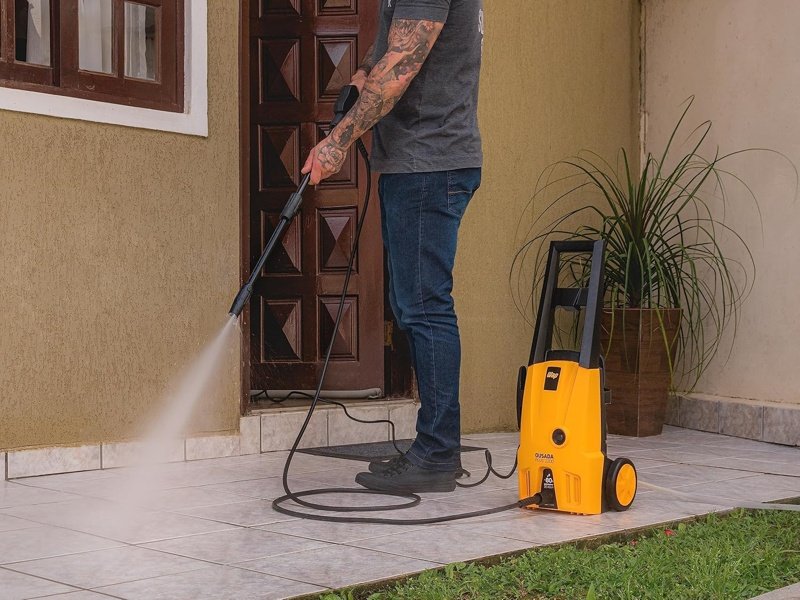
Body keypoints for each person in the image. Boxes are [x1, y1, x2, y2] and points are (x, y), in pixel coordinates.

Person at [301, 0, 484, 493]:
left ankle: (438, 453)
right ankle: (434, 446)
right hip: (418, 163)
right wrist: (361, 74)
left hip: (429, 163)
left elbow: (402, 65)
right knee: (412, 306)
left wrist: (336, 142)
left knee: (425, 307)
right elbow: (389, 48)